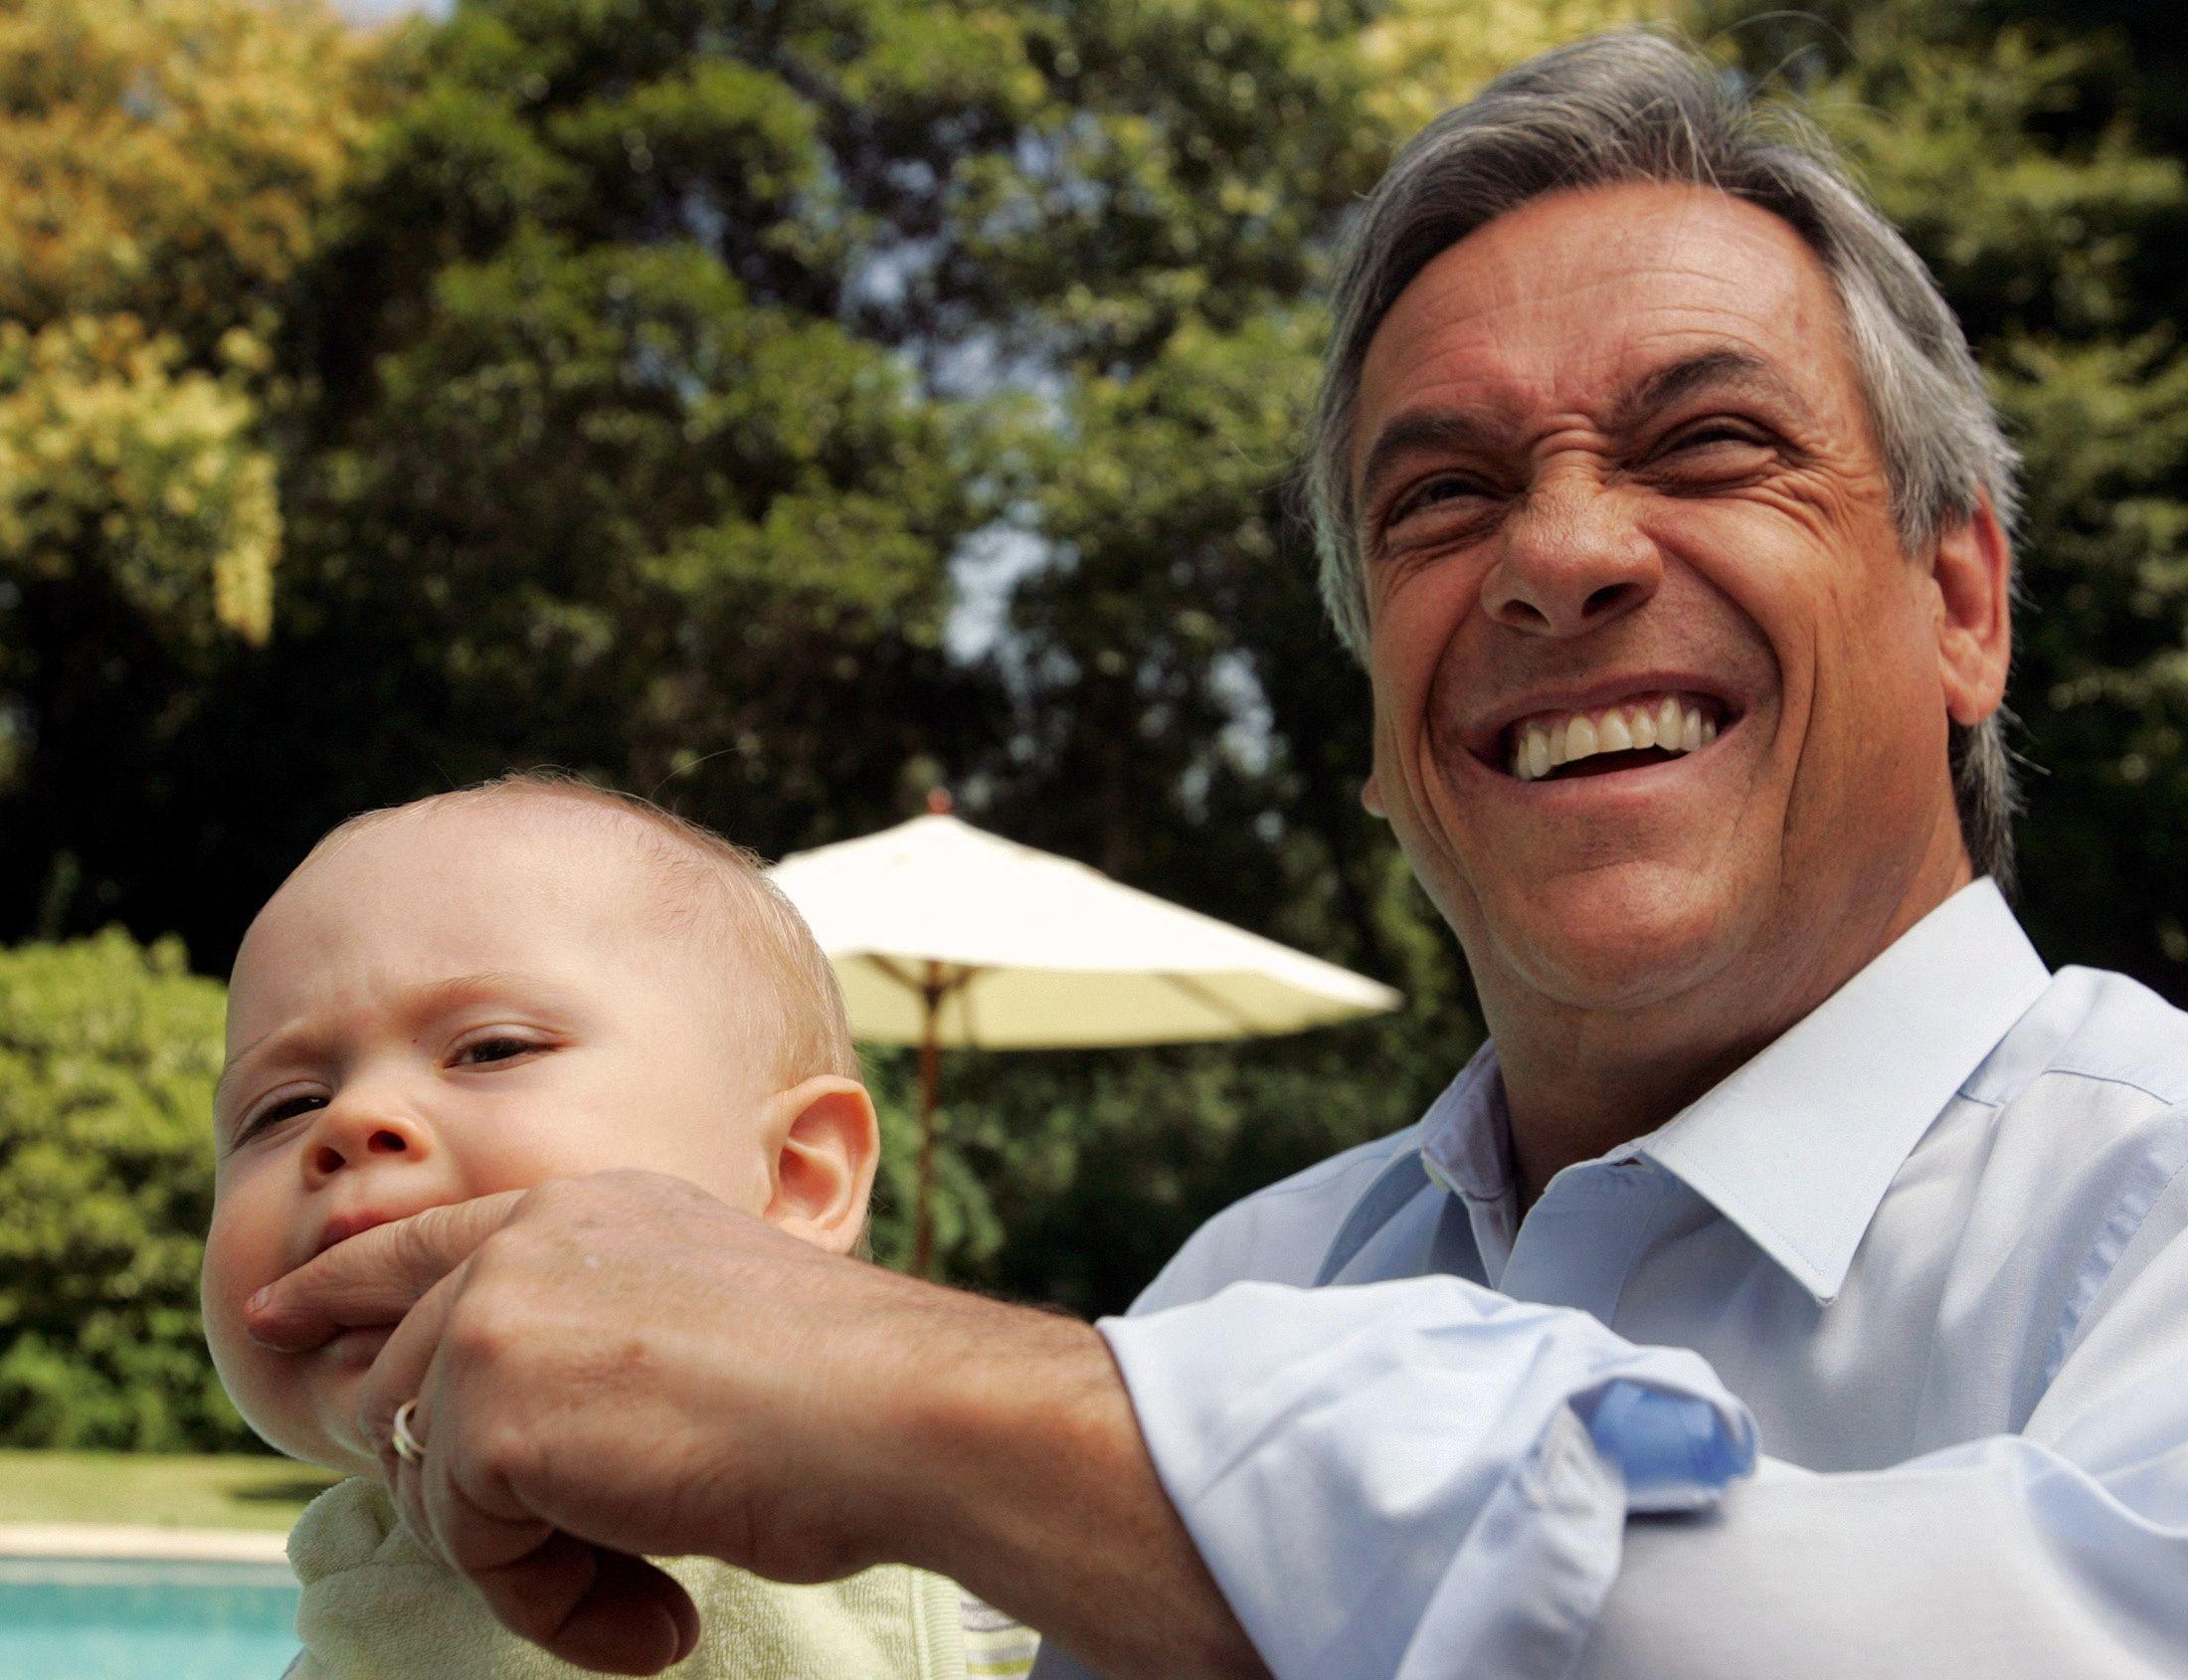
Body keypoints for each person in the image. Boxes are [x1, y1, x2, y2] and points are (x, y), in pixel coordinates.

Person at [243, 30, 2188, 1680]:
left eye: (1703, 447)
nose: (1559, 553)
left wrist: (912, 1390)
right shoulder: (1233, 1283)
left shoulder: (2146, 1206)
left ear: (1959, 601)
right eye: (1440, 496)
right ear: (1376, 724)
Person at [201, 772, 1036, 1679]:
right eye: (281, 1106)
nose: (350, 1119)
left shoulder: (983, 1578)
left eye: (493, 1048)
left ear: (797, 1177)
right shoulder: (352, 1624)